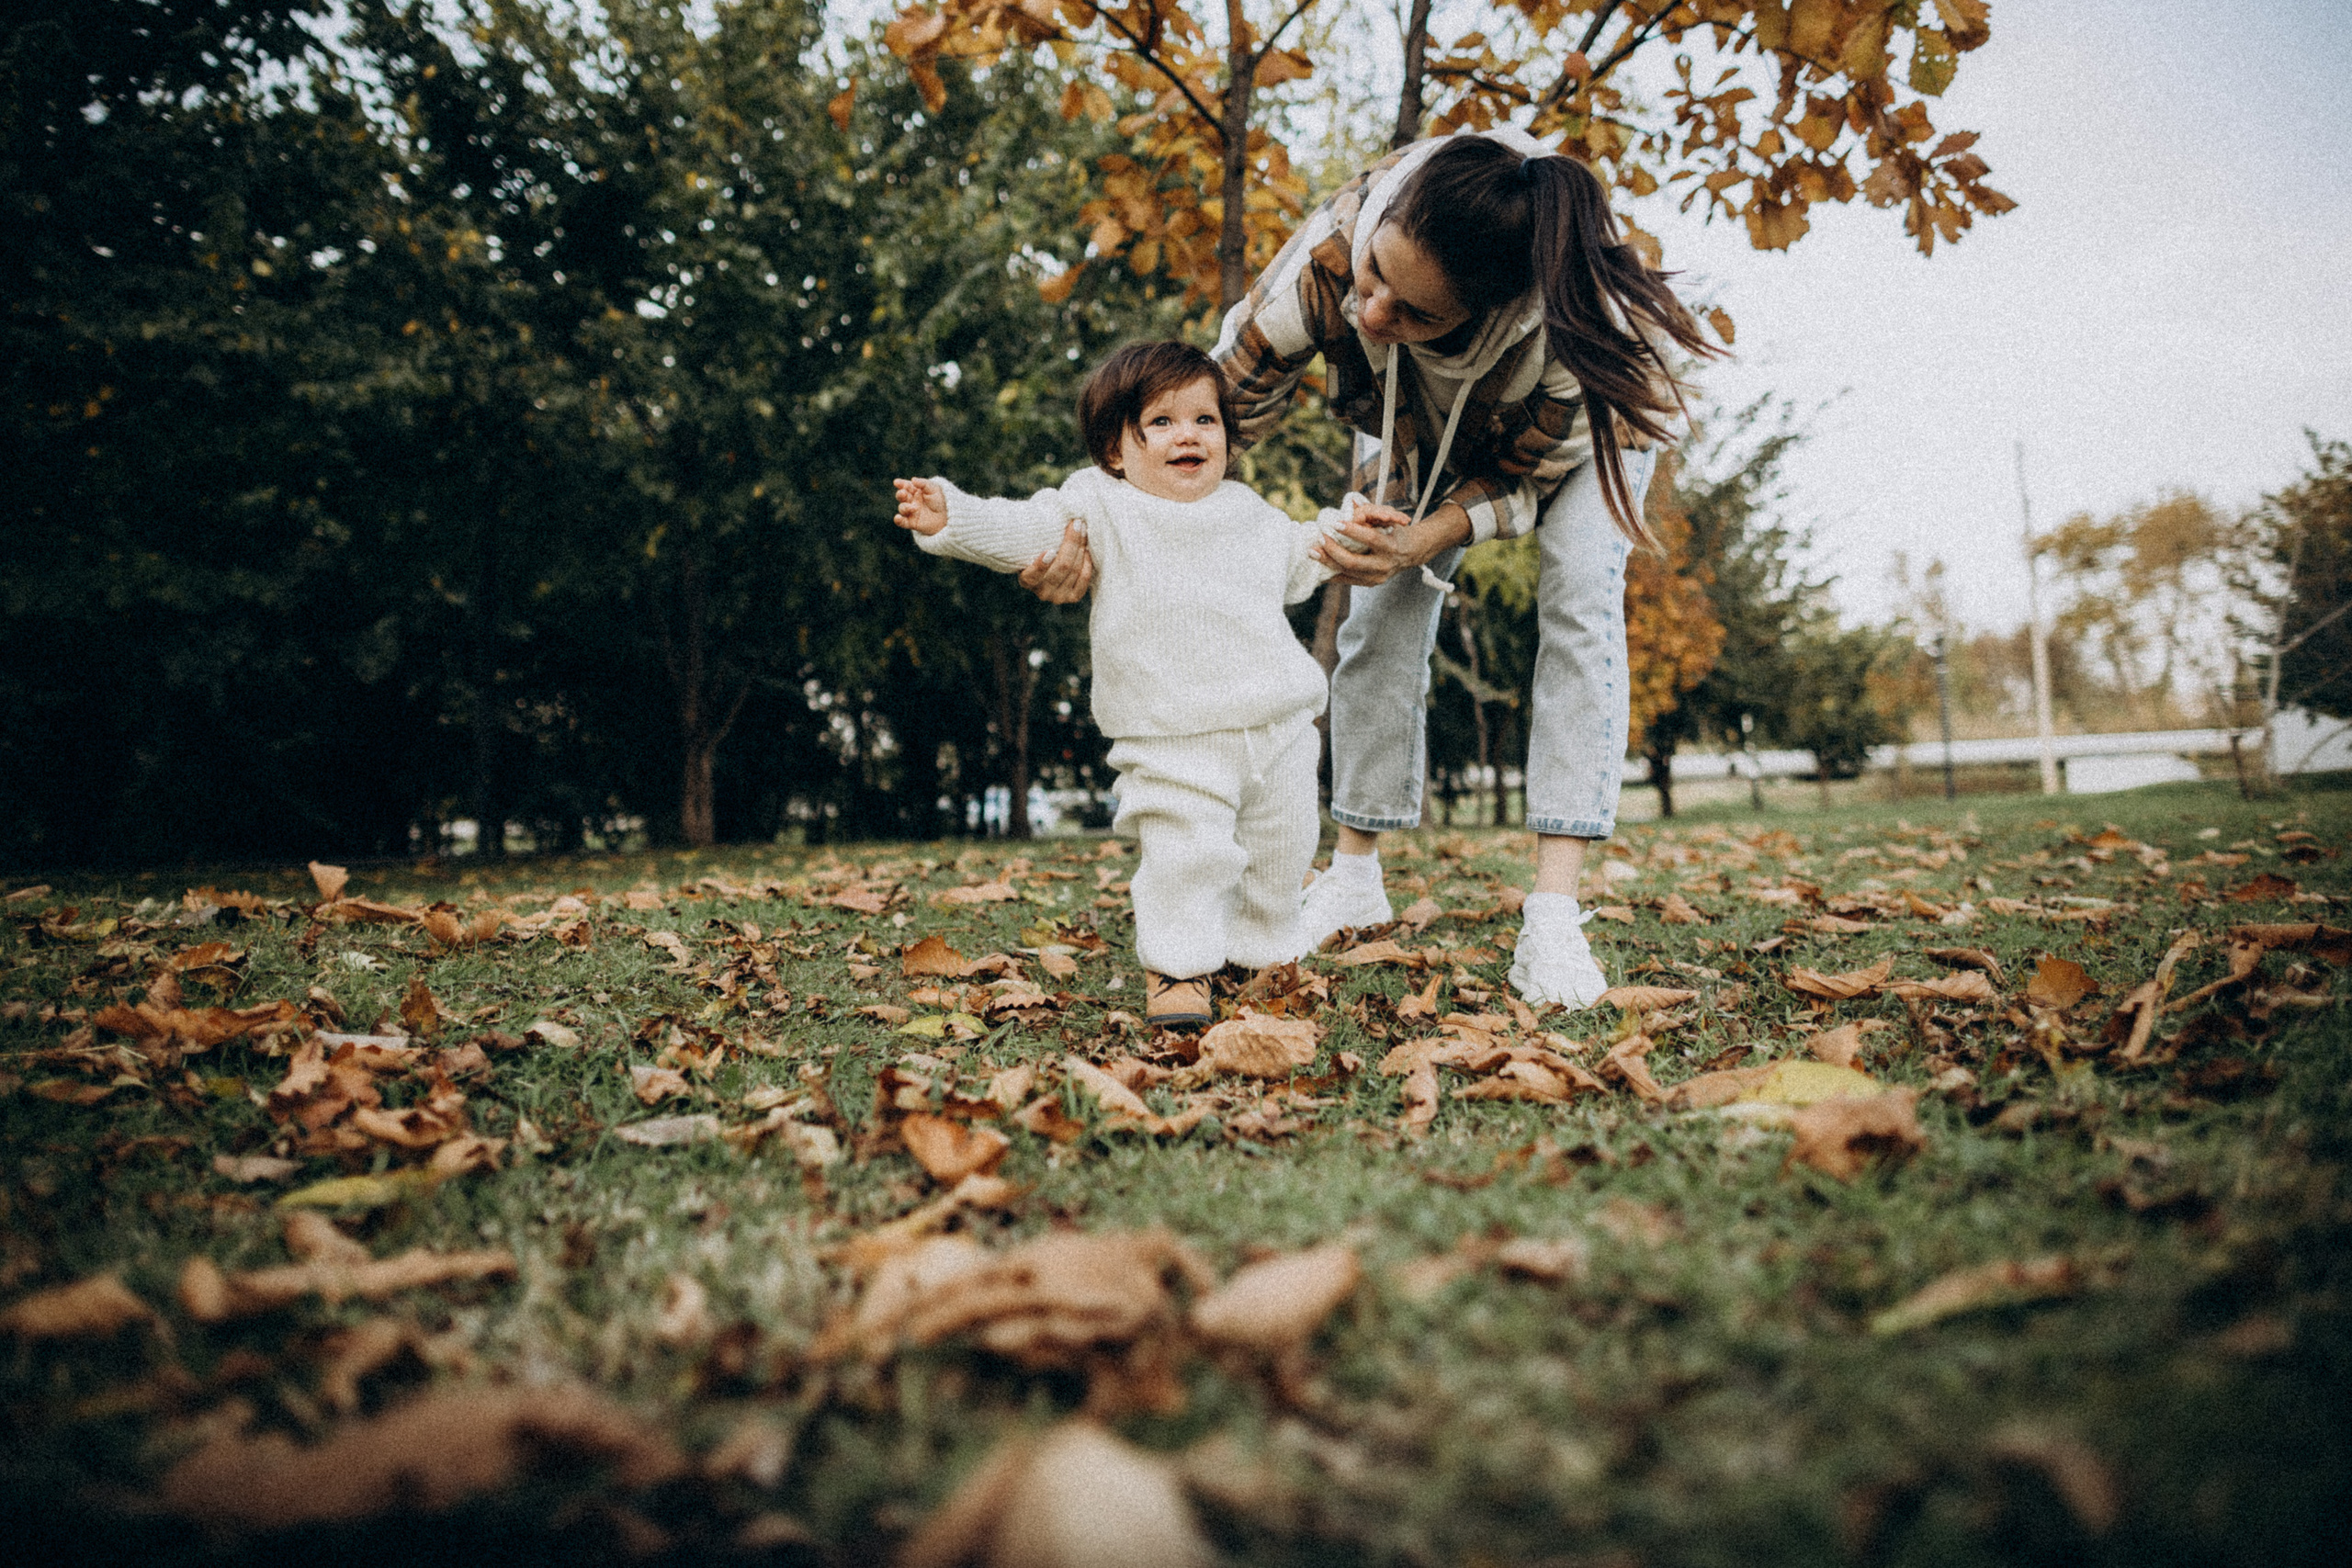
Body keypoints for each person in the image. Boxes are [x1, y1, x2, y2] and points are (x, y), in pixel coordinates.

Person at [1020, 128, 1717, 1010]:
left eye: (1414, 311)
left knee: (1578, 597)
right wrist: (1103, 531)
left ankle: (1554, 913)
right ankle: (1355, 876)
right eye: (1374, 277)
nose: (1371, 313)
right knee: (1375, 602)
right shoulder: (1339, 246)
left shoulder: (1583, 337)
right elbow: (1207, 412)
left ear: (1491, 311)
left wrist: (1436, 534)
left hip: (1576, 443)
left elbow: (1518, 482)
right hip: (1413, 413)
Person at [892, 340, 1387, 1029]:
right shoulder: (1102, 503)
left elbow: (1304, 553)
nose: (1187, 433)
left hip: (1278, 728)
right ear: (1116, 451)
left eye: (1205, 420)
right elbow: (1028, 530)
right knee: (1186, 855)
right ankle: (1180, 967)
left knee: (1285, 848)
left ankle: (1261, 954)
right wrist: (955, 516)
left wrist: (1348, 529)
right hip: (1170, 734)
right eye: (1161, 421)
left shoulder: (1247, 511)